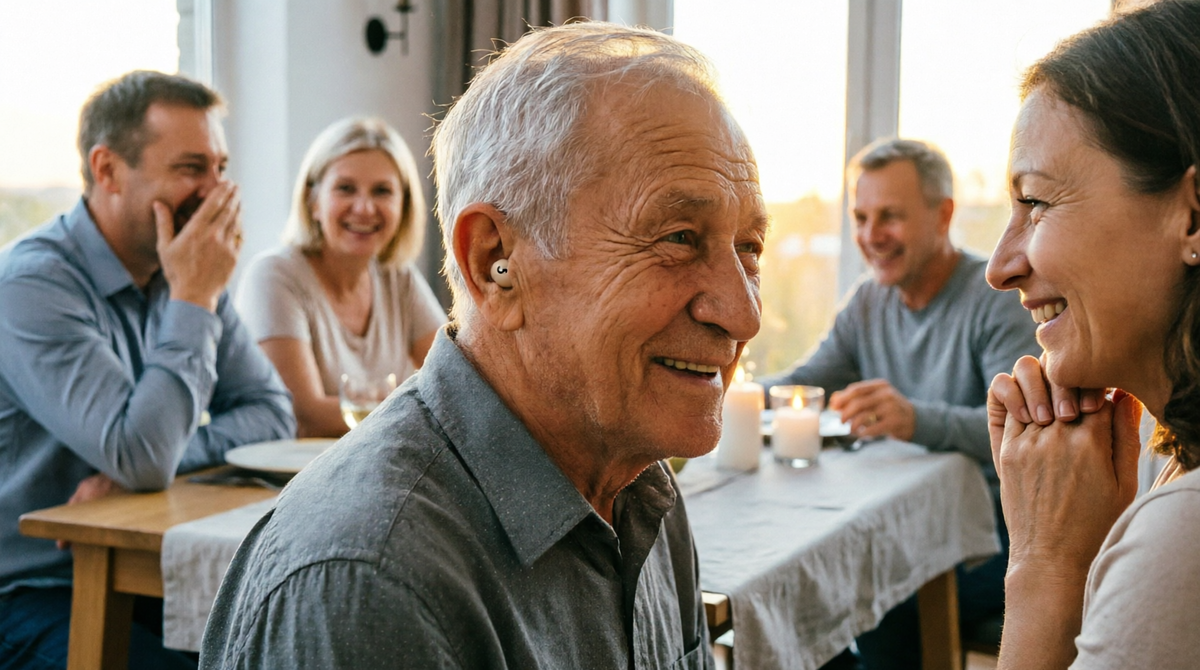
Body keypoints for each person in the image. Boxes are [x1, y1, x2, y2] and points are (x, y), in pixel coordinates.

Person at [201, 21, 765, 669]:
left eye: (749, 247)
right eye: (678, 238)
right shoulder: (371, 584)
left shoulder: (643, 490)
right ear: (495, 261)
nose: (743, 314)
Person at [0, 70, 295, 668]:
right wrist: (193, 299)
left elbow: (271, 413)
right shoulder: (33, 285)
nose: (218, 192)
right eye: (191, 168)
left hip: (148, 568)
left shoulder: (182, 270)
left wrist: (145, 469)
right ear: (107, 169)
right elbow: (141, 454)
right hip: (32, 591)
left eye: (220, 166)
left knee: (294, 645)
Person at [760, 138, 1040, 668]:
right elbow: (803, 381)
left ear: (943, 215)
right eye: (861, 217)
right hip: (898, 525)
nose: (870, 236)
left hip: (989, 534)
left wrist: (915, 419)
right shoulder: (869, 300)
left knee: (884, 600)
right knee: (807, 603)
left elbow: (1021, 429)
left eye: (889, 216)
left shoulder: (996, 299)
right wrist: (720, 391)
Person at [984, 2, 1200, 668]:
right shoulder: (1163, 466)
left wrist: (1045, 567)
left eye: (1037, 202)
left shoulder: (1185, 535)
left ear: (1193, 216)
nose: (1000, 267)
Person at [236, 117, 446, 438]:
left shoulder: (399, 278)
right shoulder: (274, 275)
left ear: (403, 206)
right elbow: (305, 416)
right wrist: (426, 412)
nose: (364, 208)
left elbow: (456, 382)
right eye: (345, 188)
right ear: (313, 201)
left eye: (382, 191)